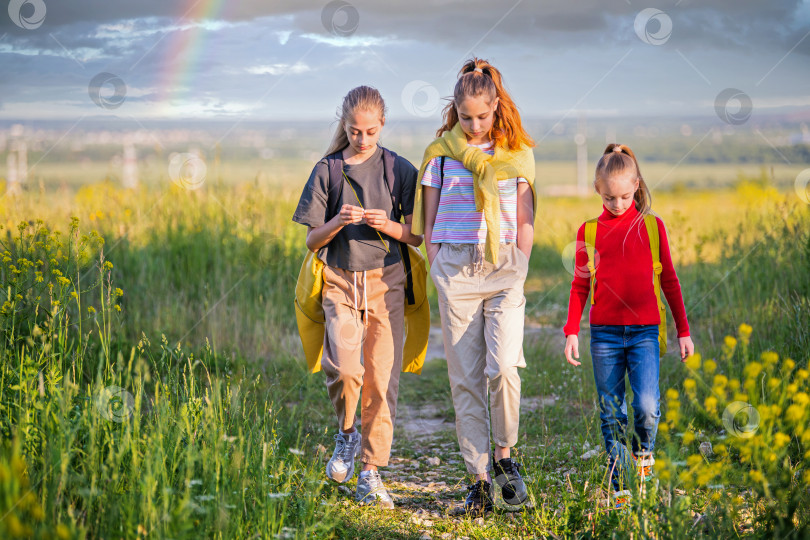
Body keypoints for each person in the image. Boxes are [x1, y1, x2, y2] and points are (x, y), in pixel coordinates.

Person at [411, 57, 536, 514]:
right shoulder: (440, 153)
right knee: (465, 379)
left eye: (482, 116)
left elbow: (525, 215)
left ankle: (506, 458)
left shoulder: (517, 152)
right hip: (457, 269)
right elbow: (428, 214)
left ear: (496, 106)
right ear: (455, 110)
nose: (475, 125)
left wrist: (520, 259)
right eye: (466, 117)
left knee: (503, 367)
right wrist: (437, 257)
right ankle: (479, 480)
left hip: (504, 267)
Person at [292, 85, 422, 509]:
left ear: (382, 125)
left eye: (369, 131)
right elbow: (312, 240)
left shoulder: (399, 169)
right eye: (354, 131)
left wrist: (388, 225)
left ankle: (370, 472)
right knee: (347, 369)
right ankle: (347, 435)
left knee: (381, 380)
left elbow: (418, 234)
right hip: (339, 280)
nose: (362, 139)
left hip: (388, 283)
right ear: (343, 125)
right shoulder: (327, 169)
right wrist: (335, 222)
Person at [563, 143, 695, 506]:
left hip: (644, 333)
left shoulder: (652, 227)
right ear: (596, 189)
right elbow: (579, 285)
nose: (617, 204)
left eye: (623, 196)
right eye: (608, 197)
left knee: (647, 407)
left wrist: (683, 330)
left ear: (636, 185)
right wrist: (572, 330)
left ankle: (643, 454)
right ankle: (619, 482)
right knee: (611, 411)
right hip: (604, 335)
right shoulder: (588, 233)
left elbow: (670, 280)